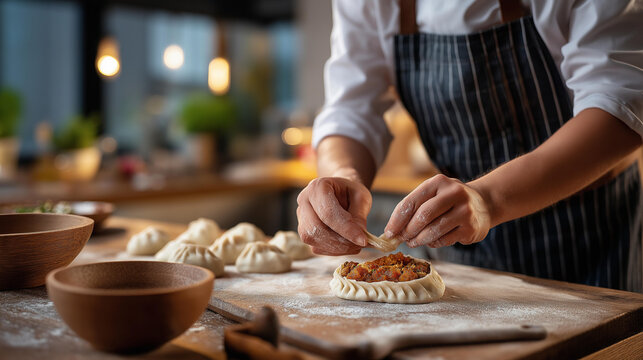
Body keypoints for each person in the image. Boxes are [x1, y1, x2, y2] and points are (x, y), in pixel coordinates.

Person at [296, 0, 643, 292]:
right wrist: (341, 176)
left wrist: (487, 200)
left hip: (592, 248)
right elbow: (350, 108)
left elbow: (618, 105)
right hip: (460, 255)